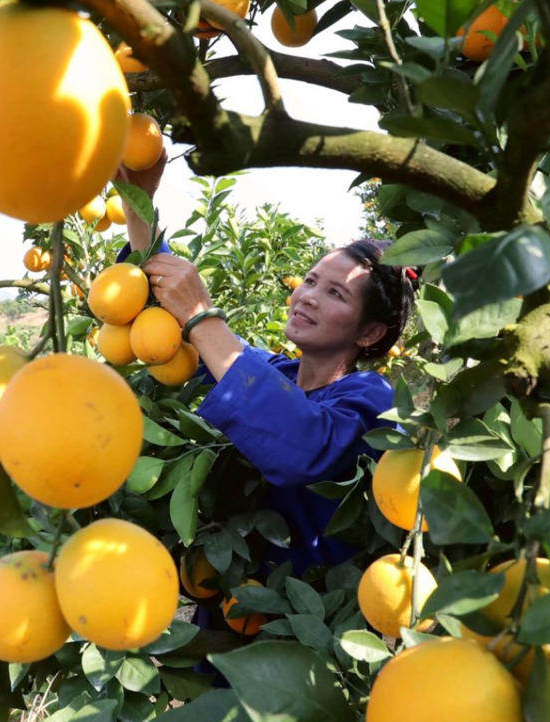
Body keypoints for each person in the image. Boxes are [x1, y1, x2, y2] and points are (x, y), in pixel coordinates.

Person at [113, 150, 417, 586]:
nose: (308, 295)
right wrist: (137, 202)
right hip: (228, 610)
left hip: (309, 628)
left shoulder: (374, 400)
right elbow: (176, 325)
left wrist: (203, 315)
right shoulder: (275, 372)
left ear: (369, 334)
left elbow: (303, 444)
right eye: (310, 281)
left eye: (335, 294)